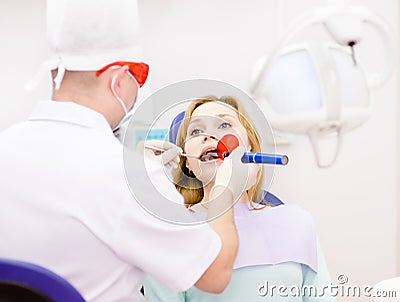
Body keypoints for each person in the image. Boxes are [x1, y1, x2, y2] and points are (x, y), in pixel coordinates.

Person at [0, 1, 247, 301]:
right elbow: (215, 274)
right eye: (140, 77)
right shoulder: (126, 176)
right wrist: (225, 187)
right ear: (118, 80)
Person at [143, 95, 336, 301]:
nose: (208, 136)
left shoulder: (296, 221)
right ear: (187, 163)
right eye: (196, 131)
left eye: (224, 124)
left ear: (250, 146)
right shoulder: (167, 232)